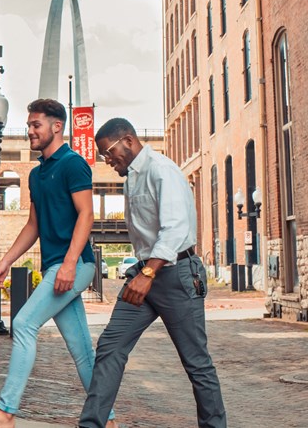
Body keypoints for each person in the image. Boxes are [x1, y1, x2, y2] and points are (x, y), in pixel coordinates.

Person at [0, 99, 117, 428]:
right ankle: (108, 421)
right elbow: (33, 225)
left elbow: (86, 214)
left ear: (57, 126)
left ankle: (4, 413)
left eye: (35, 125)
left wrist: (70, 264)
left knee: (25, 324)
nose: (29, 131)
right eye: (29, 125)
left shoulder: (73, 164)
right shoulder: (38, 174)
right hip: (57, 267)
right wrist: (5, 262)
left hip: (75, 265)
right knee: (82, 350)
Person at [78, 118, 226, 428]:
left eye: (108, 152)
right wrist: (142, 273)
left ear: (128, 141)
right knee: (110, 346)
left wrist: (146, 273)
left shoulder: (162, 170)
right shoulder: (131, 177)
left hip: (176, 275)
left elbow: (175, 229)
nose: (107, 161)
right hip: (145, 274)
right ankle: (91, 424)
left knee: (196, 362)